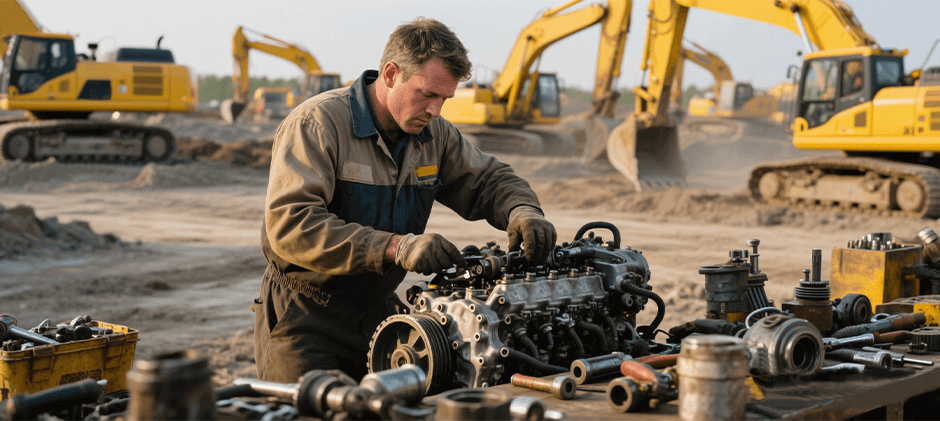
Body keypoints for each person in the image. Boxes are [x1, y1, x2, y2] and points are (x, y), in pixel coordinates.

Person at [252, 17, 557, 383]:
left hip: (378, 309)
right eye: (427, 94)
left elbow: (489, 178)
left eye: (444, 98)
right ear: (392, 73)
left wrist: (523, 209)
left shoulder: (434, 134)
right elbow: (292, 225)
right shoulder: (317, 125)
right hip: (307, 317)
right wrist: (395, 247)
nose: (435, 110)